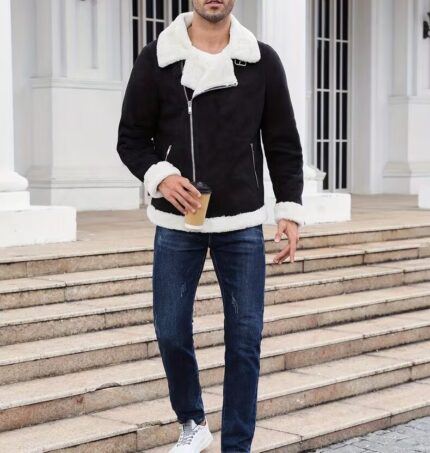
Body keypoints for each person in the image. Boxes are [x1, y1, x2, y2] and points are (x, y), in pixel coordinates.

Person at [116, 1, 304, 451]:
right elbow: (131, 138)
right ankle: (193, 421)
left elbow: (282, 142)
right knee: (170, 330)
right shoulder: (157, 57)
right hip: (178, 220)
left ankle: (236, 446)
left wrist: (289, 208)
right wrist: (161, 176)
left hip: (241, 222)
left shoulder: (261, 60)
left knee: (245, 340)